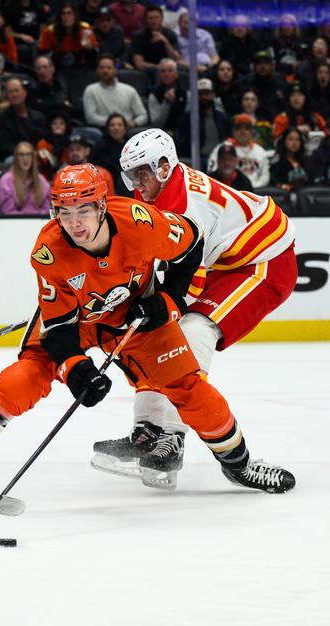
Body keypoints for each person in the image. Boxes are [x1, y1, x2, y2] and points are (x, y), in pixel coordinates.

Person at [0, 162, 296, 505]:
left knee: (188, 387)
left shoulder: (141, 222)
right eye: (64, 212)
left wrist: (170, 301)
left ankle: (240, 466)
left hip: (134, 320)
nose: (74, 223)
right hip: (77, 323)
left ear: (102, 206)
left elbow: (192, 244)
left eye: (83, 210)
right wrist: (76, 368)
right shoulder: (47, 252)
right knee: (28, 375)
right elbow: (59, 328)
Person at [91, 131, 297, 490]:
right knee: (154, 334)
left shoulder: (186, 207)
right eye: (131, 175)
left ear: (165, 166)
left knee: (192, 331)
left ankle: (171, 437)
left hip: (265, 262)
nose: (136, 184)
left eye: (142, 173)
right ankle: (148, 431)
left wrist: (151, 304)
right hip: (227, 261)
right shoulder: (158, 196)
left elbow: (187, 284)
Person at [83, 54, 148, 129]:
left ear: (115, 70)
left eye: (109, 67)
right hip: (104, 129)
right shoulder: (91, 90)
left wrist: (134, 123)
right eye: (101, 68)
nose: (105, 71)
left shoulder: (129, 90)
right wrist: (115, 124)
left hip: (128, 128)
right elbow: (91, 118)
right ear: (97, 70)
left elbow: (143, 115)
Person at [0, 77, 47, 162]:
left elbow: (43, 139)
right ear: (6, 97)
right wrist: (26, 153)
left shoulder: (38, 117)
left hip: (37, 156)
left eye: (17, 90)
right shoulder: (1, 119)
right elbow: (4, 146)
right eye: (10, 92)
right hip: (15, 157)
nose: (14, 94)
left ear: (25, 93)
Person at [209, 114, 270, 189]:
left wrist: (253, 186)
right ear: (233, 131)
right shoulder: (223, 148)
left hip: (256, 191)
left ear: (252, 131)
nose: (243, 131)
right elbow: (212, 172)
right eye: (238, 128)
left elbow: (265, 175)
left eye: (246, 128)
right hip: (228, 190)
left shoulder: (260, 151)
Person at [37, 1, 98, 72]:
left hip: (81, 66)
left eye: (69, 13)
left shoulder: (85, 28)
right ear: (60, 17)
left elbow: (95, 53)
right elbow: (43, 54)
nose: (66, 17)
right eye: (63, 14)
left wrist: (89, 48)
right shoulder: (50, 31)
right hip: (58, 67)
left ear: (75, 15)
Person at [0, 140, 51, 214]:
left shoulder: (41, 180)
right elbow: (7, 210)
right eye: (21, 154)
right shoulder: (6, 180)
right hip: (14, 222)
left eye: (28, 154)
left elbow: (47, 209)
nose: (25, 158)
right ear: (16, 157)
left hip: (39, 222)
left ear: (33, 157)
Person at [129, 4, 180, 72]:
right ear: (146, 19)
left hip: (168, 69)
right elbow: (139, 64)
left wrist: (165, 42)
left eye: (156, 18)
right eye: (150, 18)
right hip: (148, 71)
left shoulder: (170, 34)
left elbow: (176, 59)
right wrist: (160, 68)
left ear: (162, 18)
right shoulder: (138, 36)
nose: (153, 21)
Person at [240, 49, 288, 120]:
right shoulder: (248, 83)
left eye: (266, 62)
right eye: (259, 63)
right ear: (254, 67)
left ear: (272, 66)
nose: (262, 66)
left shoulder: (280, 82)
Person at [147, 57, 188, 132]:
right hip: (163, 134)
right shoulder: (154, 94)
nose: (166, 74)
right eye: (163, 71)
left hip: (183, 133)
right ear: (159, 74)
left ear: (176, 74)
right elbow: (156, 124)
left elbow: (189, 120)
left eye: (170, 70)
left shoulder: (186, 93)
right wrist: (166, 103)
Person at [269, 126, 309, 191]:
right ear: (284, 142)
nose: (294, 143)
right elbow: (275, 182)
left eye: (297, 140)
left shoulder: (305, 161)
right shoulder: (277, 162)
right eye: (291, 139)